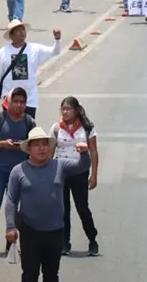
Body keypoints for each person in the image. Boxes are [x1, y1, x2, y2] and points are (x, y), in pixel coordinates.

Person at [4, 127, 92, 282]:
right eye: (37, 145)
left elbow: (82, 166)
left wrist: (84, 153)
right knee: (30, 274)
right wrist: (11, 227)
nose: (42, 148)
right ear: (29, 148)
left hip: (55, 231)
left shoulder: (60, 166)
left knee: (51, 275)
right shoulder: (18, 171)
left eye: (44, 144)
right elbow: (11, 200)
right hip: (30, 231)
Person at [0, 87, 37, 257]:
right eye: (16, 101)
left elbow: (36, 147)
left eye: (22, 102)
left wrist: (24, 147)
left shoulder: (29, 122)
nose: (19, 105)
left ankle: (10, 245)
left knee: (16, 210)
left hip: (20, 173)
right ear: (9, 102)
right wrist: (3, 144)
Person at [47, 97, 100, 256]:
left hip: (79, 172)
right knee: (63, 209)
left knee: (82, 208)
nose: (65, 112)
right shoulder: (57, 128)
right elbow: (50, 153)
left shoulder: (87, 128)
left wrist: (94, 175)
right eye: (63, 109)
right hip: (61, 173)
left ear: (76, 111)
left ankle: (92, 239)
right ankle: (64, 242)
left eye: (68, 109)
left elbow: (94, 151)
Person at [0, 21, 62, 120]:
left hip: (29, 99)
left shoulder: (35, 49)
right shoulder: (3, 52)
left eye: (23, 30)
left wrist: (57, 39)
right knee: (11, 129)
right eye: (18, 31)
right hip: (9, 98)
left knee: (28, 131)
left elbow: (55, 52)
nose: (22, 32)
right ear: (11, 35)